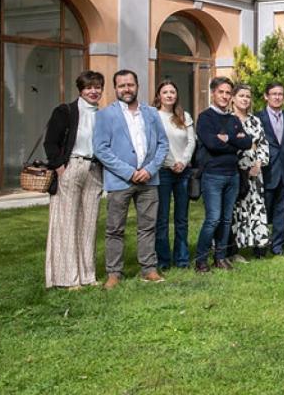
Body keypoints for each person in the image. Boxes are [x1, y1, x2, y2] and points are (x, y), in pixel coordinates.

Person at [93, 69, 170, 288]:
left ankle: (149, 269)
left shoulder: (151, 113)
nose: (126, 89)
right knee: (115, 229)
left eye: (130, 85)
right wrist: (129, 172)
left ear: (137, 86)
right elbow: (101, 149)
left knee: (148, 227)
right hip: (120, 180)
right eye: (122, 85)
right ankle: (114, 273)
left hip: (149, 179)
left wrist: (150, 169)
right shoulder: (105, 115)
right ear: (115, 88)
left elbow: (163, 144)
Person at [43, 70, 105, 289]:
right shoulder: (65, 111)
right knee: (67, 223)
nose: (93, 91)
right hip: (72, 166)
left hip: (94, 170)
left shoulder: (102, 115)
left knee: (89, 224)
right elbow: (50, 142)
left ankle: (88, 275)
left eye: (97, 87)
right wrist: (60, 167)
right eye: (88, 87)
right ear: (81, 90)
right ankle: (67, 278)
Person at [193, 76, 252, 273]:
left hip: (232, 175)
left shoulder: (233, 119)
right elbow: (212, 144)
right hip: (213, 175)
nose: (225, 96)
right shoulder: (205, 118)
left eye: (228, 93)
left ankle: (220, 257)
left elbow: (247, 142)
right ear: (213, 93)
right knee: (213, 219)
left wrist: (228, 138)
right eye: (221, 92)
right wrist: (235, 141)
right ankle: (201, 260)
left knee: (227, 219)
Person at [152, 80, 196, 271]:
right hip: (163, 171)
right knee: (161, 218)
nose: (169, 95)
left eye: (172, 92)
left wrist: (183, 162)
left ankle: (182, 258)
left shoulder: (184, 116)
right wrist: (171, 163)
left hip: (183, 172)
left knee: (181, 218)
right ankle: (163, 260)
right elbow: (155, 144)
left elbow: (191, 141)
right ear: (159, 95)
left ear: (177, 95)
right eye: (165, 92)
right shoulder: (153, 116)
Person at [231, 84, 270, 259]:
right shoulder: (228, 119)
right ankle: (233, 249)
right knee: (236, 210)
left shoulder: (255, 120)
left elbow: (262, 145)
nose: (245, 99)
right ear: (233, 98)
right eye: (241, 96)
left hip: (255, 172)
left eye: (247, 96)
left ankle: (258, 246)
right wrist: (248, 144)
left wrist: (258, 164)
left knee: (255, 208)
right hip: (235, 171)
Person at [259, 83, 284, 256]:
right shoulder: (258, 118)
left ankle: (278, 246)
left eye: (280, 94)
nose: (277, 97)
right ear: (266, 96)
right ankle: (260, 246)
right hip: (266, 171)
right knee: (263, 211)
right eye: (273, 94)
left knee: (281, 212)